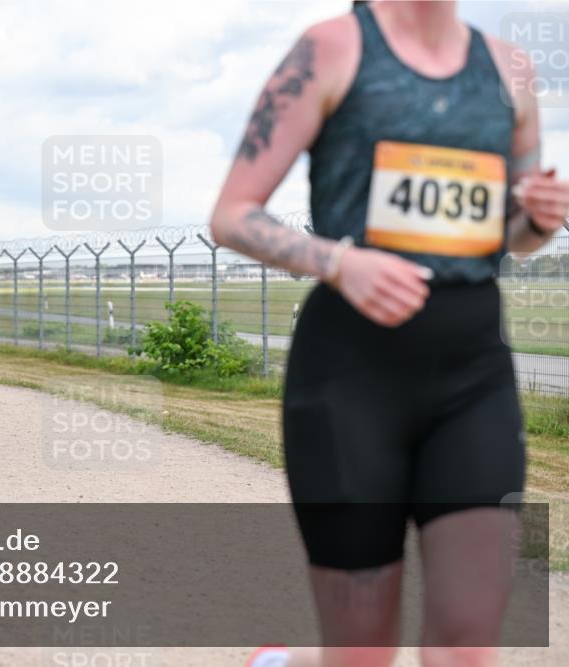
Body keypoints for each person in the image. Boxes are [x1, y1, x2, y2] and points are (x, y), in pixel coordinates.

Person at [209, 2, 567, 666]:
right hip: (350, 377)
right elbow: (231, 215)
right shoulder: (331, 49)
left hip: (472, 376)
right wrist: (340, 262)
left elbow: (510, 234)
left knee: (467, 646)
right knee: (362, 653)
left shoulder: (512, 69)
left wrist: (540, 219)